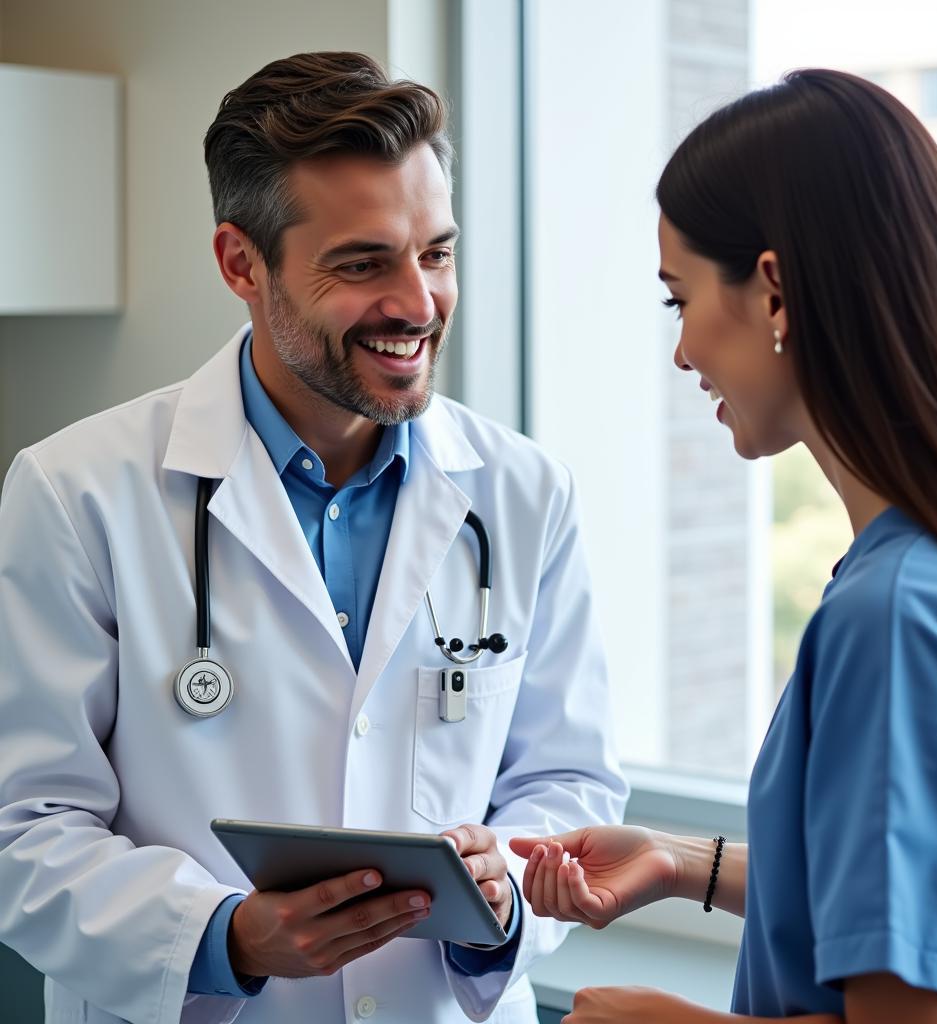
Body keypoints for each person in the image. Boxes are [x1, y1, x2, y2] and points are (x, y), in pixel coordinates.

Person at [0, 52, 628, 1024]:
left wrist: (500, 886)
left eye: (438, 252)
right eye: (363, 262)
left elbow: (569, 780)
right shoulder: (76, 491)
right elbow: (25, 827)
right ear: (239, 263)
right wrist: (225, 933)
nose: (417, 303)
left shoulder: (521, 493)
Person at [510, 68, 937, 1023]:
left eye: (680, 301)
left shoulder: (897, 615)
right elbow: (933, 889)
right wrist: (680, 863)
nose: (681, 352)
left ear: (775, 289)